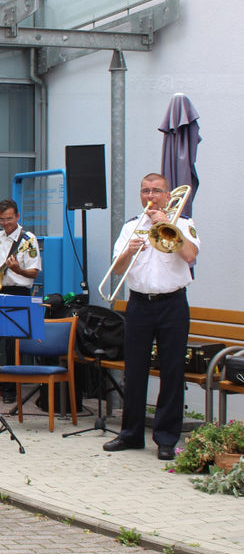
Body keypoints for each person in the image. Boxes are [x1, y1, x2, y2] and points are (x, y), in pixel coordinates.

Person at [102, 173, 200, 461]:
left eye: (157, 191)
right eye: (145, 190)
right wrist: (128, 252)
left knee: (172, 371)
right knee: (134, 370)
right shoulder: (131, 227)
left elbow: (191, 256)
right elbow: (117, 269)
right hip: (139, 304)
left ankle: (167, 438)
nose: (151, 196)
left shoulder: (183, 224)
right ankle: (131, 434)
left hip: (173, 304)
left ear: (168, 196)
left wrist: (165, 225)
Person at [0, 198, 42, 398]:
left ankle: (10, 390)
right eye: (2, 219)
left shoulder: (28, 240)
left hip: (18, 292)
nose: (6, 223)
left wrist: (18, 269)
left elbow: (34, 273)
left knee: (12, 344)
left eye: (9, 219)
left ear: (17, 217)